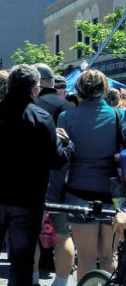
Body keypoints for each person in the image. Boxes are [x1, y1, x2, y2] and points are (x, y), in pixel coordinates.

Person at [0, 64, 73, 286]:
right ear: (34, 89)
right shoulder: (41, 118)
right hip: (26, 200)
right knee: (21, 262)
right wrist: (68, 145)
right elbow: (57, 160)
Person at [58, 69, 121, 281]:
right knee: (108, 256)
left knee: (85, 257)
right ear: (104, 89)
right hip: (113, 194)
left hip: (79, 192)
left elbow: (62, 156)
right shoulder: (117, 115)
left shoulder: (66, 117)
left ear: (78, 89)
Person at [32, 64, 75, 286]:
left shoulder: (29, 106)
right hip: (63, 179)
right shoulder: (68, 106)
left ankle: (34, 279)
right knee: (63, 233)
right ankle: (60, 282)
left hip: (32, 179)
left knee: (30, 235)